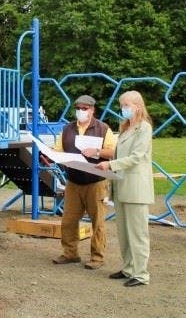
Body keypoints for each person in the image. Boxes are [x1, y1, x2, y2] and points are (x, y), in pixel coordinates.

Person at [96, 90, 154, 287]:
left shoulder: (144, 128)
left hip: (136, 188)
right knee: (124, 232)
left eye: (127, 105)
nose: (123, 109)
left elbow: (137, 156)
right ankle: (129, 268)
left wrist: (110, 165)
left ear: (137, 106)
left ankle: (141, 274)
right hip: (121, 187)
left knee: (137, 233)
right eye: (122, 106)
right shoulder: (126, 128)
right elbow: (120, 153)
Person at [51, 94, 116, 270]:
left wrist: (97, 151)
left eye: (84, 108)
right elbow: (59, 150)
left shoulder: (103, 129)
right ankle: (70, 253)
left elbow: (113, 152)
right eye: (78, 108)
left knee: (98, 222)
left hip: (96, 181)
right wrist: (52, 157)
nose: (80, 111)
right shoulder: (67, 129)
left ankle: (97, 257)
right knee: (68, 220)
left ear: (92, 110)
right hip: (73, 181)